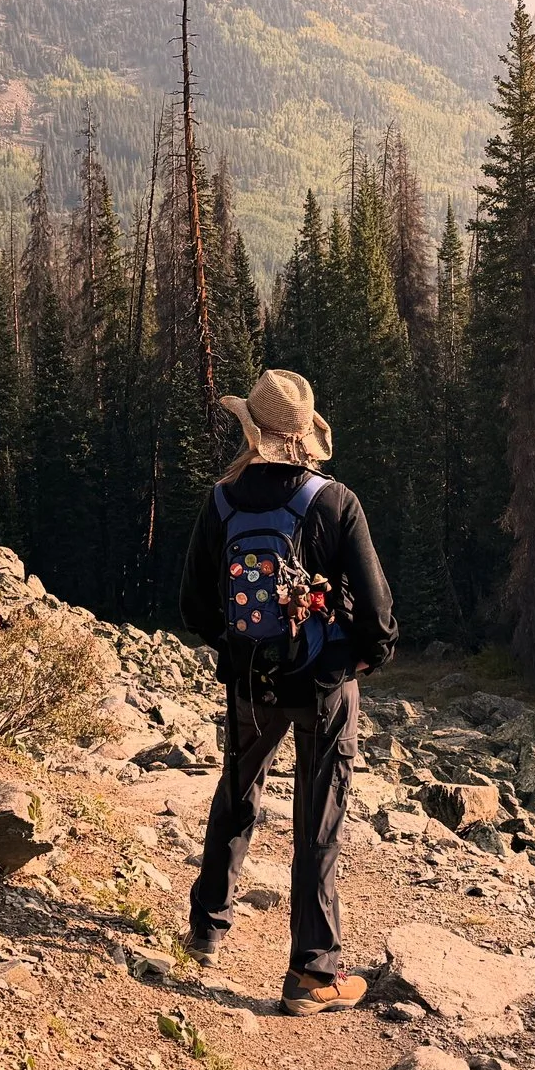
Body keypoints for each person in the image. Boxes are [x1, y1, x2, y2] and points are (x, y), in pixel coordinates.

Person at [180, 368, 397, 1014]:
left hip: (250, 681)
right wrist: (361, 659)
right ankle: (311, 971)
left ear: (252, 430)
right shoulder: (335, 501)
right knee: (317, 819)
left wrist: (238, 649)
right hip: (324, 681)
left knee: (237, 790)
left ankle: (205, 929)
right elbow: (379, 614)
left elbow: (193, 606)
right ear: (303, 437)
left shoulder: (220, 499)